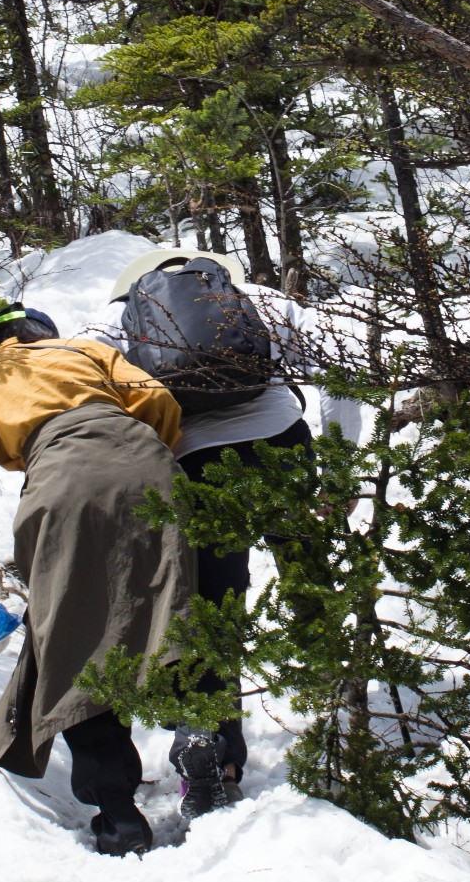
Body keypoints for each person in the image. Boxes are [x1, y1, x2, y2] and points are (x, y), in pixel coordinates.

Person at [84, 247, 363, 814]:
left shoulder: (114, 322)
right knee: (305, 564)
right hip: (281, 442)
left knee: (212, 609)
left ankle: (212, 753)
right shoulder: (263, 302)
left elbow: (93, 405)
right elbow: (341, 376)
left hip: (194, 464)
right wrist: (338, 468)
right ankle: (341, 699)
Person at [0, 302, 191, 856]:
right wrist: (150, 454)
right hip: (151, 465)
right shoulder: (86, 350)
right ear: (43, 333)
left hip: (63, 479)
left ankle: (118, 814)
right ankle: (205, 746)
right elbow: (159, 400)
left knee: (74, 636)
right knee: (174, 607)